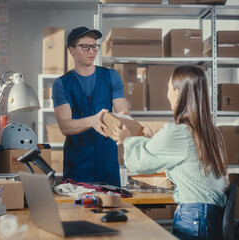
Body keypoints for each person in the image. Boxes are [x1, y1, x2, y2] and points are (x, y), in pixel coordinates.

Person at [113, 65, 228, 239]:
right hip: (211, 216)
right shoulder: (211, 132)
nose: (167, 92)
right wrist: (152, 142)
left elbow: (139, 163)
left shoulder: (177, 132)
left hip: (194, 217)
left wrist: (126, 139)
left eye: (168, 88)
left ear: (176, 92)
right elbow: (184, 158)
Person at [52, 26, 130, 187]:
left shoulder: (111, 76)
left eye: (94, 46)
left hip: (108, 165)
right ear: (71, 50)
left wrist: (124, 123)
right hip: (77, 167)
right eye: (85, 46)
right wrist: (92, 121)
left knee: (111, 210)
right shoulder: (61, 84)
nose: (92, 51)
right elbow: (65, 126)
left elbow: (123, 112)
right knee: (78, 210)